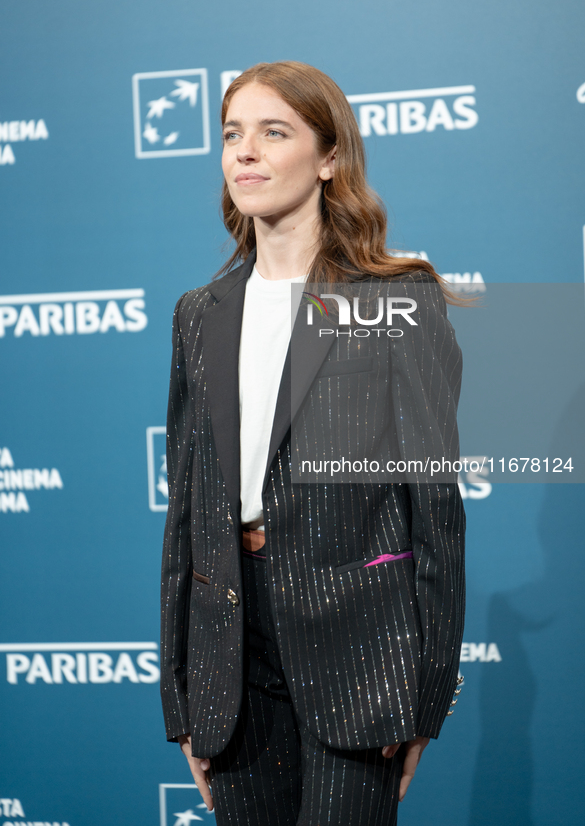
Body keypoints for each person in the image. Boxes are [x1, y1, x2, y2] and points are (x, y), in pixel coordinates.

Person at [160, 60, 466, 825]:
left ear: (329, 158)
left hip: (359, 659)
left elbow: (434, 513)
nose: (245, 153)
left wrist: (424, 695)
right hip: (232, 665)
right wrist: (183, 696)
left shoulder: (395, 299)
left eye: (273, 131)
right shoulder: (198, 314)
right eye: (232, 134)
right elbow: (185, 516)